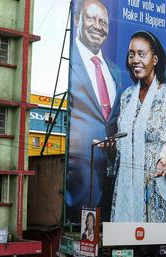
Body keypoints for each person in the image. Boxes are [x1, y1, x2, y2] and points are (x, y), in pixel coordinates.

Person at [111, 30, 166, 222]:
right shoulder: (126, 97)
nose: (135, 59)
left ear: (155, 59)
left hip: (157, 191)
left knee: (156, 249)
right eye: (131, 54)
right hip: (129, 189)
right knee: (126, 245)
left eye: (142, 54)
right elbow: (124, 140)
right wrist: (110, 147)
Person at [67, 0, 122, 222]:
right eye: (91, 18)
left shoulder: (115, 70)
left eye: (103, 22)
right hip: (77, 191)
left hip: (109, 190)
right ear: (78, 19)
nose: (97, 26)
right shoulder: (72, 60)